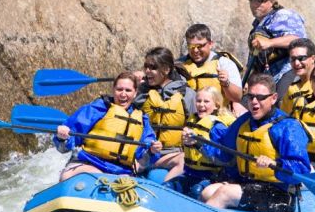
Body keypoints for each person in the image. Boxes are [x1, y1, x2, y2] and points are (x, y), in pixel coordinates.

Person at [184, 73, 311, 212]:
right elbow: (224, 153)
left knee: (224, 193)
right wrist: (198, 143)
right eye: (251, 97)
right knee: (207, 192)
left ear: (273, 98)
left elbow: (301, 170)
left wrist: (275, 164)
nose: (254, 102)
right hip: (247, 185)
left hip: (279, 195)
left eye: (261, 97)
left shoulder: (288, 126)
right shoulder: (243, 122)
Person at [54, 72, 159, 181]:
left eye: (128, 90)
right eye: (119, 89)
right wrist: (62, 137)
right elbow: (64, 147)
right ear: (113, 90)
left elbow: (145, 158)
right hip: (88, 164)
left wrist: (152, 150)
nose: (123, 94)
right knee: (76, 177)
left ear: (135, 93)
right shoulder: (97, 109)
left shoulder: (142, 119)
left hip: (122, 172)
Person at [134, 46, 197, 181]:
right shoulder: (140, 92)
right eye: (146, 66)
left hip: (172, 154)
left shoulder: (187, 94)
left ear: (166, 70)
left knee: (184, 160)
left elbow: (197, 124)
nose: (147, 71)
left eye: (153, 67)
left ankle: (166, 186)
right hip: (145, 152)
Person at [246, 0, 307, 100]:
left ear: (272, 1)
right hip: (268, 80)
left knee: (281, 103)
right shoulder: (257, 27)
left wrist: (270, 43)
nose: (255, 3)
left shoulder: (283, 15)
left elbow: (299, 40)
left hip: (288, 72)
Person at [179, 86, 235, 197]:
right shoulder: (192, 120)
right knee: (168, 186)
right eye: (198, 101)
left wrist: (198, 144)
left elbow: (224, 158)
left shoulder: (218, 127)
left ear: (216, 105)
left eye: (206, 102)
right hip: (189, 173)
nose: (201, 105)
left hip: (210, 177)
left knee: (196, 191)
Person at [179, 23, 245, 114]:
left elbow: (237, 97)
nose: (195, 50)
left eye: (200, 46)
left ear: (210, 44)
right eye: (191, 46)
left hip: (218, 117)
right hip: (189, 118)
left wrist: (226, 83)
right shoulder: (179, 65)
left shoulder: (224, 64)